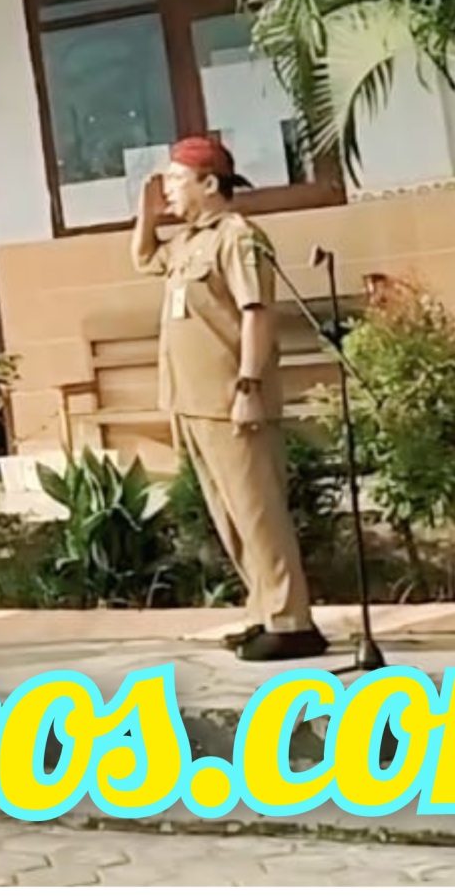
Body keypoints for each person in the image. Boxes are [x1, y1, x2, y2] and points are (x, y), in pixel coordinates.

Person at [133, 135, 326, 662]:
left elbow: (256, 313)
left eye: (176, 179)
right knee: (230, 516)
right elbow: (142, 257)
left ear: (209, 183)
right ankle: (266, 611)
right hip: (192, 401)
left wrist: (248, 386)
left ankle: (292, 620)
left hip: (229, 397)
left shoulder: (236, 237)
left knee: (258, 510)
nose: (167, 188)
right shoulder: (189, 240)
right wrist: (148, 211)